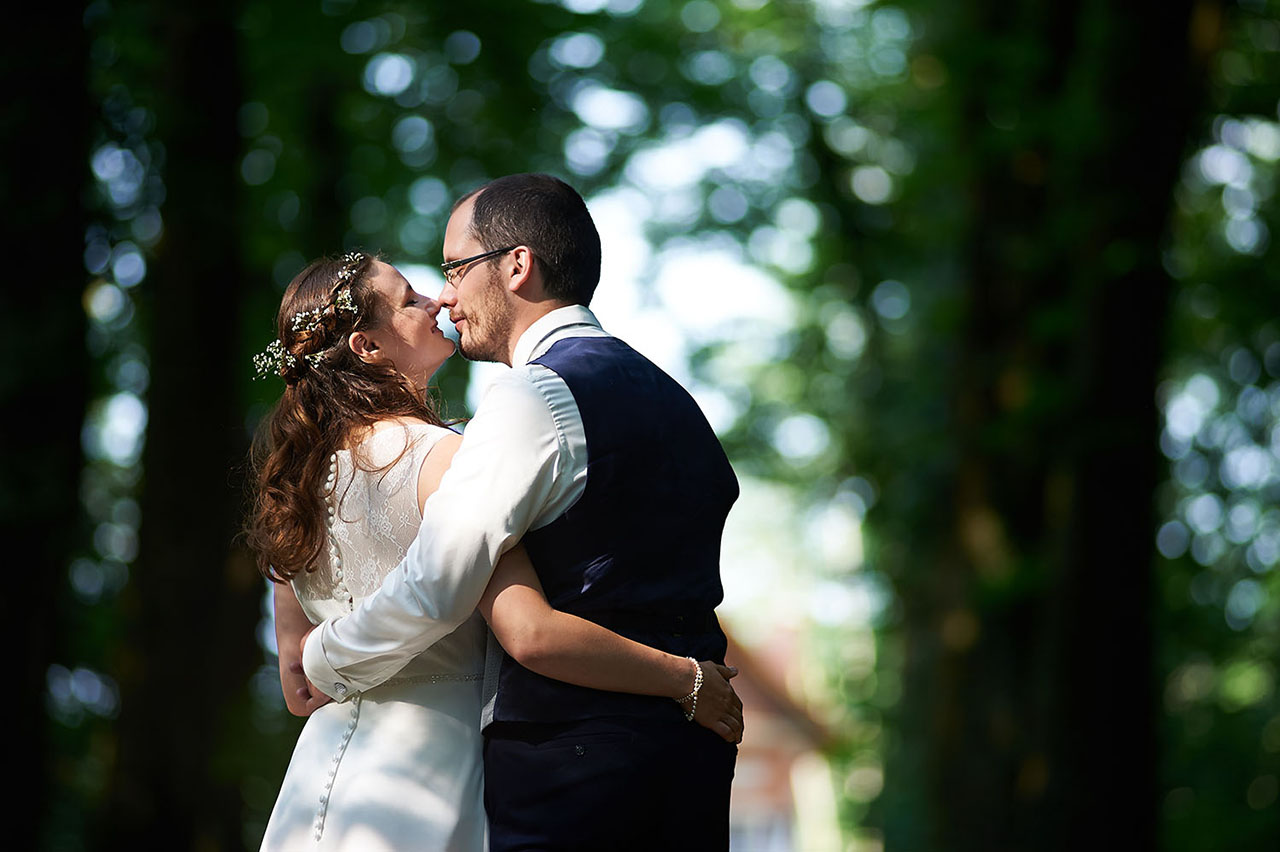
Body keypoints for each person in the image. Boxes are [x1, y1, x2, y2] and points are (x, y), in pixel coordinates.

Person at [300, 174, 742, 850]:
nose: (445, 294)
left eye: (454, 268)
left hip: (572, 773)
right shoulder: (679, 403)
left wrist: (322, 658)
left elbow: (440, 585)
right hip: (694, 762)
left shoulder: (531, 398)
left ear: (516, 265)